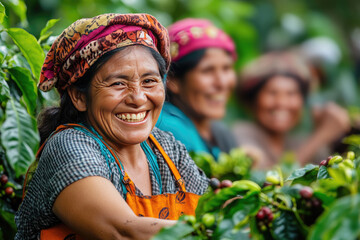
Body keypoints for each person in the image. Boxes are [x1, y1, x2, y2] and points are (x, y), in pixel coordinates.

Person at [15, 13, 208, 240]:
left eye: (149, 81)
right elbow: (124, 231)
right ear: (79, 97)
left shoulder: (166, 148)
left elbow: (210, 209)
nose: (138, 98)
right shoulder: (69, 146)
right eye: (118, 83)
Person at [233, 51, 351, 169]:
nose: (281, 103)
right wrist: (322, 134)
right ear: (254, 100)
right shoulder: (242, 134)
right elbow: (268, 181)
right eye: (272, 93)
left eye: (291, 94)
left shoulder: (294, 142)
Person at [156, 18, 237, 159]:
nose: (222, 83)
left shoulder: (217, 131)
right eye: (207, 70)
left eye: (226, 68)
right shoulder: (168, 132)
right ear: (173, 80)